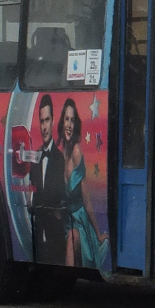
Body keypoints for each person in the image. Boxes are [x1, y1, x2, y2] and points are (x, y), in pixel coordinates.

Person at [59, 98, 108, 268]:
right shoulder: (61, 153)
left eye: (72, 120)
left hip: (80, 223)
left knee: (72, 238)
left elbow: (86, 199)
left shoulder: (76, 152)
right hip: (66, 221)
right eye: (66, 119)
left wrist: (98, 233)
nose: (69, 125)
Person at [29, 95, 68, 265]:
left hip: (55, 237)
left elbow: (59, 197)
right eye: (41, 121)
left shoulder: (60, 159)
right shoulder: (35, 158)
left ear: (53, 122)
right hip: (38, 235)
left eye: (47, 120)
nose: (44, 126)